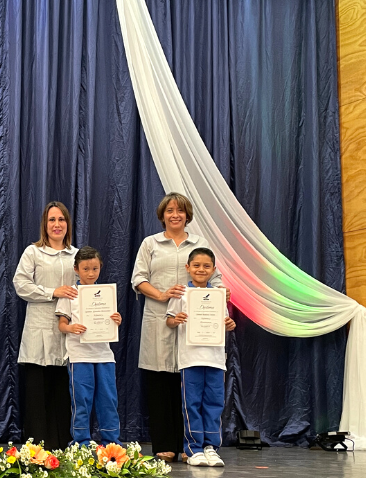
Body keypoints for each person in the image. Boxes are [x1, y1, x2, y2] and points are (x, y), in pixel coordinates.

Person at [130, 192, 226, 462]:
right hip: (158, 318)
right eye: (170, 210)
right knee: (160, 383)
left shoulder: (200, 243)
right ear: (162, 215)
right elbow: (138, 278)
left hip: (193, 326)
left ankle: (189, 446)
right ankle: (164, 444)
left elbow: (215, 279)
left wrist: (220, 299)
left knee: (189, 387)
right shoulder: (150, 244)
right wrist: (162, 295)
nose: (175, 214)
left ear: (187, 215)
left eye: (180, 210)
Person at [13, 201, 77, 450]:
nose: (57, 224)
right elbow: (21, 285)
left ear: (67, 224)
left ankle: (61, 448)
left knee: (62, 393)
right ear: (44, 224)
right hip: (38, 330)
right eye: (52, 220)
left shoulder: (76, 254)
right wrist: (53, 292)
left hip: (67, 332)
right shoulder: (33, 252)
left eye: (61, 219)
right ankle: (37, 451)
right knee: (37, 394)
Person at [165, 248, 235, 466]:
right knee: (192, 403)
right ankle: (193, 449)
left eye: (206, 266)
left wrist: (229, 325)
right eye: (196, 265)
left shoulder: (218, 295)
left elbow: (224, 322)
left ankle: (211, 448)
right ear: (188, 268)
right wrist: (176, 320)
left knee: (214, 403)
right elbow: (168, 321)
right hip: (190, 359)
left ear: (213, 270)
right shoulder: (181, 293)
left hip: (214, 359)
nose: (201, 269)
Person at [55, 246, 122, 445]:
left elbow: (110, 322)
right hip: (79, 356)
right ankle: (81, 442)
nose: (91, 273)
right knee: (81, 400)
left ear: (100, 267)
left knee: (108, 400)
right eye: (86, 269)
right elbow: (61, 325)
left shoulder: (106, 293)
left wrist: (116, 319)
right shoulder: (69, 294)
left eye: (95, 268)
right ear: (76, 269)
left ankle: (111, 443)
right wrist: (71, 327)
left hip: (104, 355)